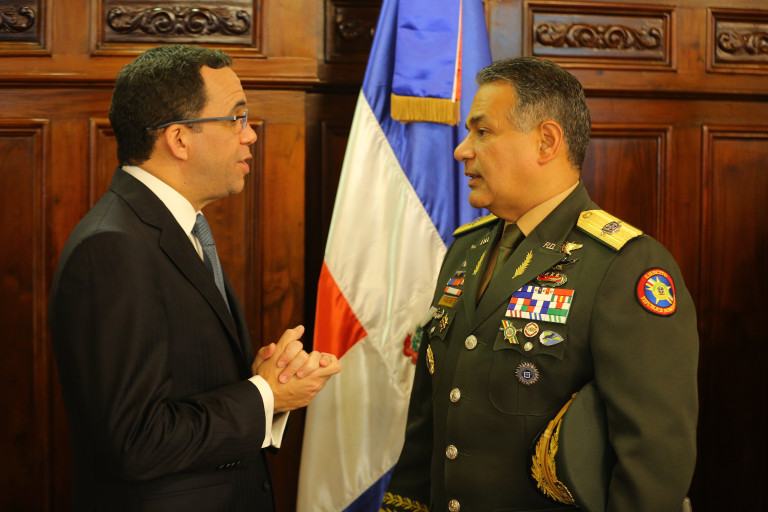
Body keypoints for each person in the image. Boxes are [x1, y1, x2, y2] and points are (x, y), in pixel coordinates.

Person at [383, 57, 698, 511]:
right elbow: (428, 422)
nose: (462, 150)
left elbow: (654, 456)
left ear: (546, 141)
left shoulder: (625, 265)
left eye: (483, 131)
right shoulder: (467, 249)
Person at [49, 44, 341, 512]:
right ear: (180, 139)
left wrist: (265, 381)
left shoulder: (172, 228)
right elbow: (135, 441)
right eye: (236, 118)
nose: (250, 135)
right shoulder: (114, 247)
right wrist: (266, 395)